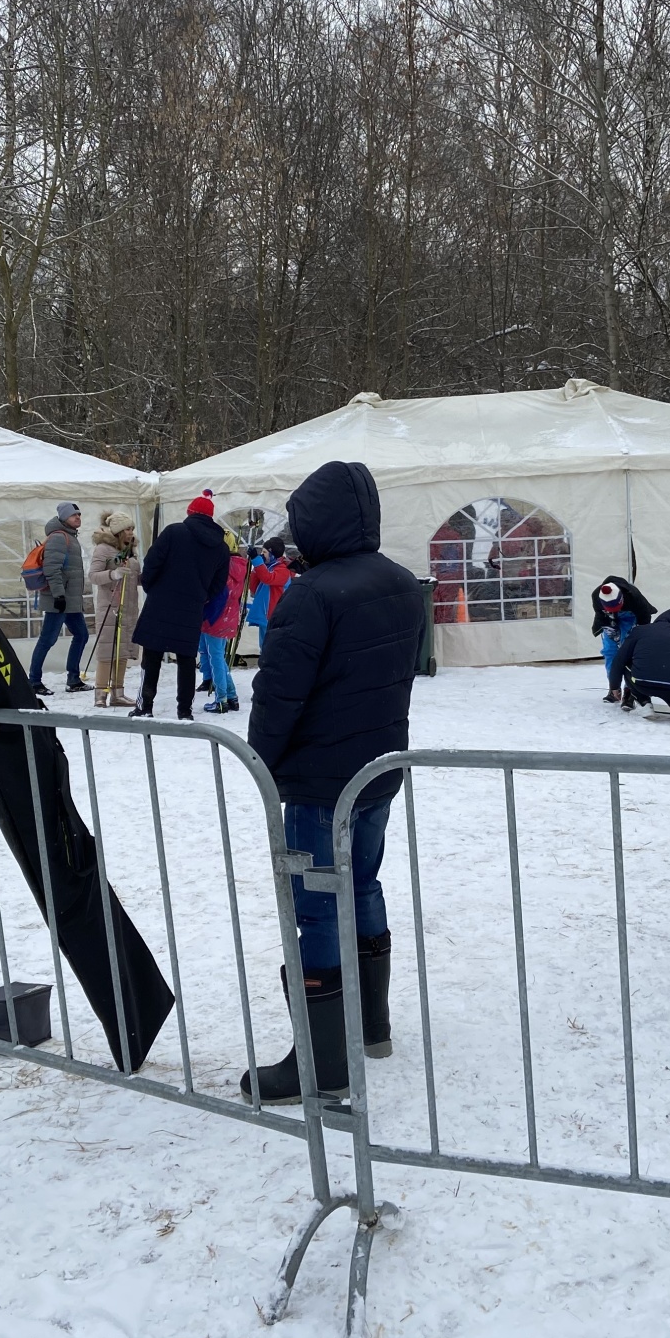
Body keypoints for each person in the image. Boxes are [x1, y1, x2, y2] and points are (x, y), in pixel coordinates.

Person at [242, 462, 426, 1103]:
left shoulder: (312, 594)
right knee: (364, 882)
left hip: (322, 780)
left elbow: (278, 693)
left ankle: (323, 1063)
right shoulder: (401, 581)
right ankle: (370, 1026)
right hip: (377, 768)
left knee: (318, 904)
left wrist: (259, 759)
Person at [131, 491, 230, 721]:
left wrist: (150, 587)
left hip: (160, 603)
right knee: (186, 660)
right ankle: (184, 710)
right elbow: (218, 584)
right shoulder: (221, 547)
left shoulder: (174, 532)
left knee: (151, 657)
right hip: (191, 607)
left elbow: (153, 562)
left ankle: (145, 706)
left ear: (190, 513)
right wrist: (201, 598)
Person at [27, 502, 91, 696]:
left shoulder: (70, 537)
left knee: (81, 635)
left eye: (79, 514)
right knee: (48, 639)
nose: (78, 517)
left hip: (70, 600)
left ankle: (73, 679)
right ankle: (34, 681)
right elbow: (51, 569)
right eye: (73, 515)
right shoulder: (58, 538)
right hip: (60, 600)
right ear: (64, 518)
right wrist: (59, 595)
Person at [608, 609, 670, 732]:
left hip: (642, 682)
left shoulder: (640, 631)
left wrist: (614, 686)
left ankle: (644, 702)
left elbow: (619, 661)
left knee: (628, 665)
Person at [88, 510, 141, 709]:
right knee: (106, 651)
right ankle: (100, 694)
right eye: (127, 529)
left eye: (132, 529)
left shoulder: (129, 549)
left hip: (128, 608)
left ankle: (118, 693)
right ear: (118, 531)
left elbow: (136, 577)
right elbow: (93, 576)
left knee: (121, 652)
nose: (130, 532)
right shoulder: (103, 549)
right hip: (109, 607)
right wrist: (113, 574)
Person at [199, 540, 250, 714]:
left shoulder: (222, 566)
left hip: (215, 618)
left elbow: (214, 593)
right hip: (229, 617)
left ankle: (221, 700)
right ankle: (232, 696)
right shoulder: (239, 566)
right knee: (220, 658)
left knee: (216, 660)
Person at [590, 576, 655, 702]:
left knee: (630, 652)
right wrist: (610, 630)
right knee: (610, 651)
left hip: (632, 617)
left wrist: (638, 637)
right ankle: (613, 687)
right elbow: (600, 615)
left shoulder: (634, 596)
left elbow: (644, 618)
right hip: (608, 619)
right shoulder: (596, 596)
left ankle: (630, 690)